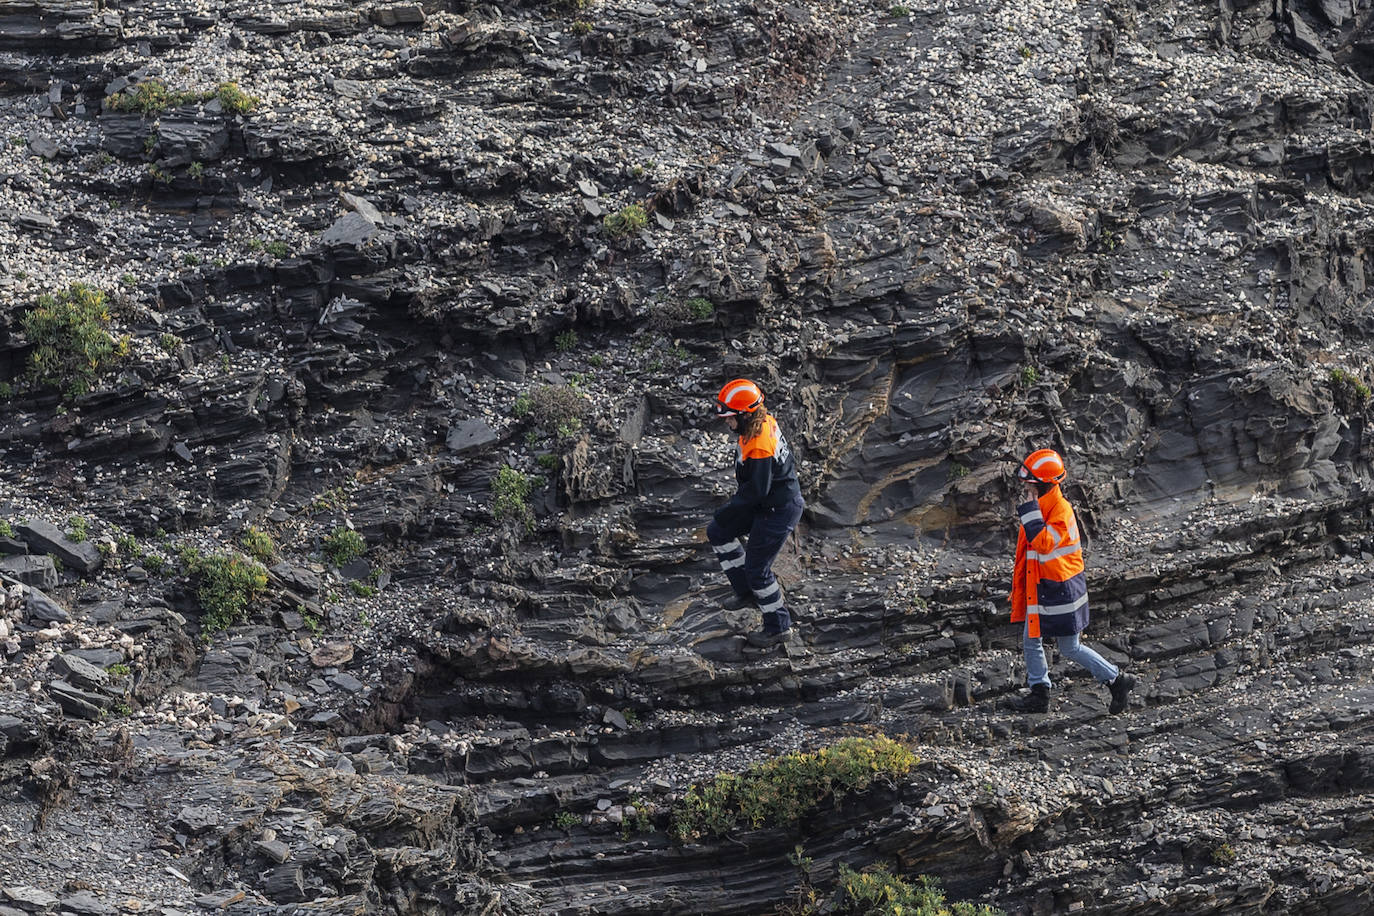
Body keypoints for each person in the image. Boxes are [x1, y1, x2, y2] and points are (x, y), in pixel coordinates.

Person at [1005, 448, 1135, 714]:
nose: (1026, 488)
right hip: (1040, 587)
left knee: (1070, 647)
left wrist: (1029, 510)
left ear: (1044, 484)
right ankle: (1039, 693)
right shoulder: (1043, 506)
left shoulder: (1060, 512)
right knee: (1031, 640)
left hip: (1060, 591)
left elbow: (1042, 544)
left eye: (1030, 483)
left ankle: (1117, 680)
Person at [705, 378, 805, 646]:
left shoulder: (759, 444)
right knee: (718, 532)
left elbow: (757, 491)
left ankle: (778, 627)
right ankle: (746, 591)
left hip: (778, 510)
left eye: (730, 417)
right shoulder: (761, 422)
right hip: (766, 504)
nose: (727, 423)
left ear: (745, 415)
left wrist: (728, 510)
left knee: (757, 568)